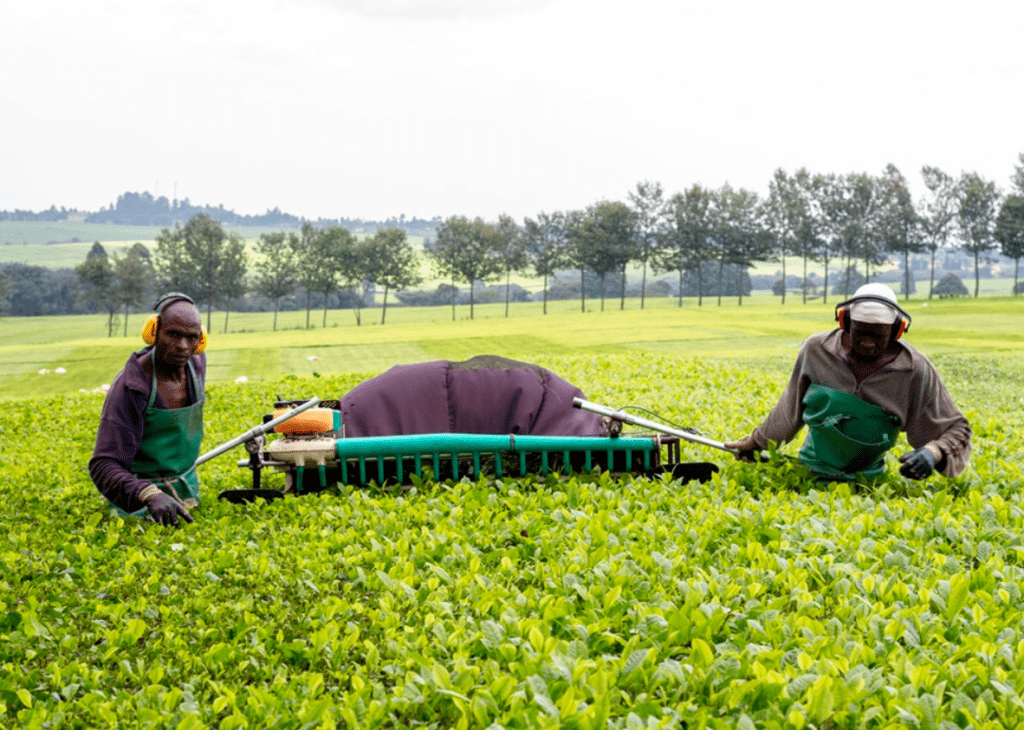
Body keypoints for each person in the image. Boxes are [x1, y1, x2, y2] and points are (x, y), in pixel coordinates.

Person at [725, 283, 971, 481]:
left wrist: (933, 452)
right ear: (845, 323)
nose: (867, 342)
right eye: (860, 333)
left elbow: (957, 429)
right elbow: (789, 410)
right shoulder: (816, 351)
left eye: (878, 337)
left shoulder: (913, 370)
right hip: (811, 471)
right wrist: (756, 442)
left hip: (869, 482)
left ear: (896, 332)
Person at [89, 292, 207, 526]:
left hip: (187, 491)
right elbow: (103, 464)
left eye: (191, 337)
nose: (182, 346)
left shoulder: (196, 365)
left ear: (200, 340)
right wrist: (148, 494)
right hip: (138, 503)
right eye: (173, 334)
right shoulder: (132, 386)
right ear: (153, 332)